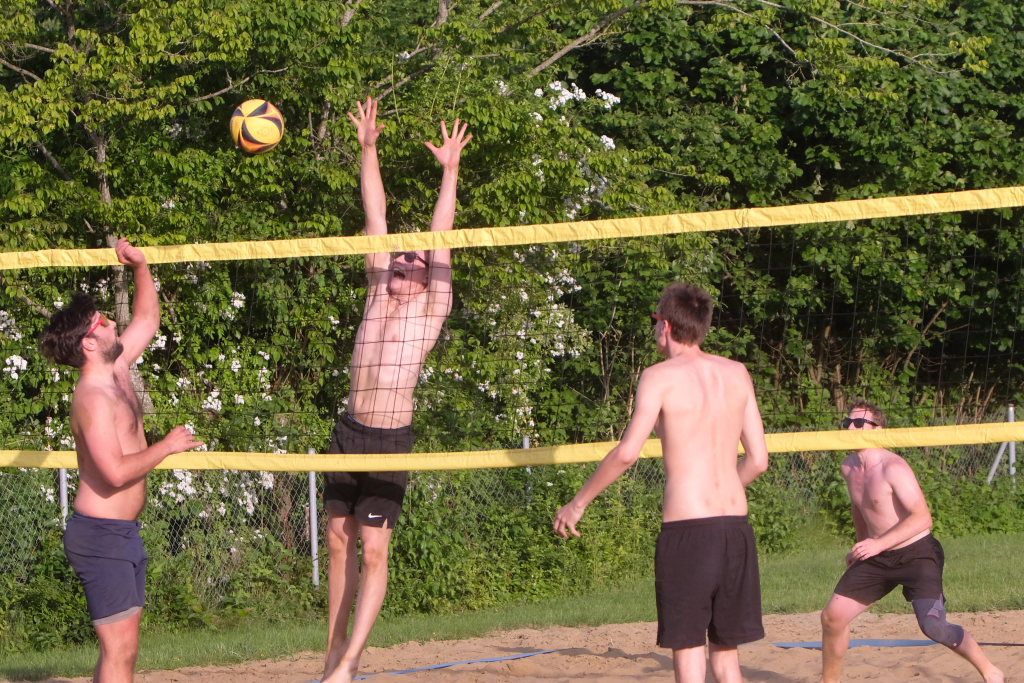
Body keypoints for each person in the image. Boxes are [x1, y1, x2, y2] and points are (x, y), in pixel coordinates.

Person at [320, 96, 471, 683]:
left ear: (427, 272)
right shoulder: (377, 292)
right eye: (401, 256)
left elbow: (440, 235)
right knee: (338, 542)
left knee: (374, 549)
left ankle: (351, 661)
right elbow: (376, 217)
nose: (405, 257)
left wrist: (450, 172)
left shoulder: (432, 306)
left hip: (389, 438)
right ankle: (333, 656)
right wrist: (368, 148)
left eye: (414, 257)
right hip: (349, 430)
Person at [554, 282, 770, 683]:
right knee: (727, 662)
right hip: (735, 530)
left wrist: (578, 502)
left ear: (665, 325)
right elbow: (758, 461)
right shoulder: (736, 372)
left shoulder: (658, 377)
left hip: (689, 532)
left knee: (689, 657)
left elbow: (627, 453)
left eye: (654, 320)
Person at [39, 238, 203, 683]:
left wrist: (141, 267)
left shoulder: (117, 369)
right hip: (100, 535)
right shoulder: (92, 398)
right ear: (88, 343)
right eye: (102, 322)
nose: (112, 323)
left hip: (121, 532)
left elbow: (148, 319)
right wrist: (166, 446)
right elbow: (113, 473)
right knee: (121, 652)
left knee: (120, 651)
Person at [820, 400, 1004, 683]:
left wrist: (877, 544)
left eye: (858, 423)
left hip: (917, 553)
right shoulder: (849, 467)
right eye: (847, 423)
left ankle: (990, 671)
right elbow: (860, 508)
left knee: (933, 627)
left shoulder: (893, 467)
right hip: (877, 556)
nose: (850, 428)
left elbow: (922, 518)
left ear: (878, 429)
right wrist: (862, 545)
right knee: (833, 617)